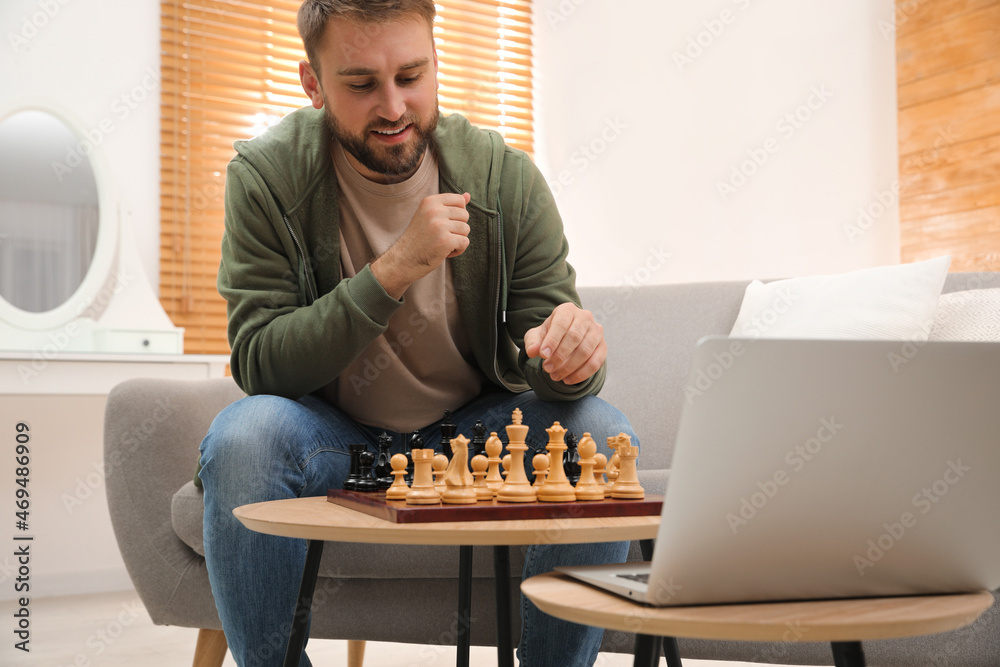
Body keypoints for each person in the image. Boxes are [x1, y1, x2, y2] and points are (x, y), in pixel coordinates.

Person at [197, 1, 638, 665]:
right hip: (335, 440)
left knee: (600, 431)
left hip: (473, 433)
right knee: (243, 439)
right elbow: (260, 361)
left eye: (412, 75)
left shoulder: (503, 178)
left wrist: (573, 355)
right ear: (312, 84)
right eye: (362, 84)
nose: (395, 106)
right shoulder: (265, 177)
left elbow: (549, 349)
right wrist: (394, 269)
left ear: (436, 63)